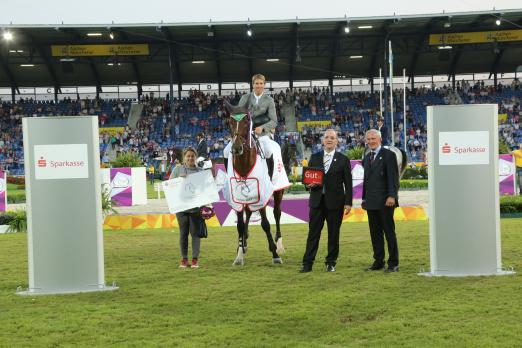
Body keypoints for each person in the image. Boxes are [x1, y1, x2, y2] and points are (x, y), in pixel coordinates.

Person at [299, 129, 352, 273]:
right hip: (316, 202)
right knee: (313, 234)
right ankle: (307, 263)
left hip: (336, 203)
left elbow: (348, 183)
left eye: (332, 138)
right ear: (323, 140)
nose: (329, 140)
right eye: (327, 137)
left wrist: (348, 202)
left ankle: (330, 262)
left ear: (337, 141)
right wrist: (307, 185)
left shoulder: (343, 159)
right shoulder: (314, 157)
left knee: (333, 234)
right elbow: (308, 178)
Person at [224, 74, 289, 190]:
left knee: (268, 151)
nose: (258, 86)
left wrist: (262, 128)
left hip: (261, 134)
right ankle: (229, 179)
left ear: (264, 85)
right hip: (245, 134)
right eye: (256, 83)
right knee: (225, 151)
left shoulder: (269, 101)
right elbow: (239, 116)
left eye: (261, 84)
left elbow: (274, 121)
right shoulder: (245, 98)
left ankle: (269, 180)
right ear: (252, 85)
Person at [361, 129, 400, 273]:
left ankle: (393, 263)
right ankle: (378, 261)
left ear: (380, 139)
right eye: (368, 139)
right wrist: (364, 198)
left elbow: (393, 178)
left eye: (373, 138)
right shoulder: (367, 156)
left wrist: (392, 196)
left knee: (389, 232)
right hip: (371, 202)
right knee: (375, 233)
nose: (371, 141)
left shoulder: (389, 155)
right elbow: (366, 181)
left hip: (385, 201)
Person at [169, 146, 203, 269]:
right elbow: (169, 186)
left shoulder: (200, 171)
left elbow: (204, 189)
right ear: (184, 158)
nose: (190, 158)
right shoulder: (177, 170)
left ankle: (194, 260)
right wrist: (179, 180)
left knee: (195, 234)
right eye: (188, 156)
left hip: (195, 209)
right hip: (181, 208)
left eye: (192, 156)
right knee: (183, 234)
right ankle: (184, 259)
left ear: (196, 157)